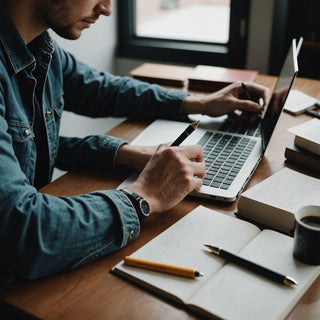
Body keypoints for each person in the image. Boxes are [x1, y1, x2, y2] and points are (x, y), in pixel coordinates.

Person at [0, 0, 269, 284]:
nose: (107, 9)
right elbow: (20, 232)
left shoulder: (40, 47)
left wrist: (199, 103)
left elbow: (102, 90)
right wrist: (144, 196)